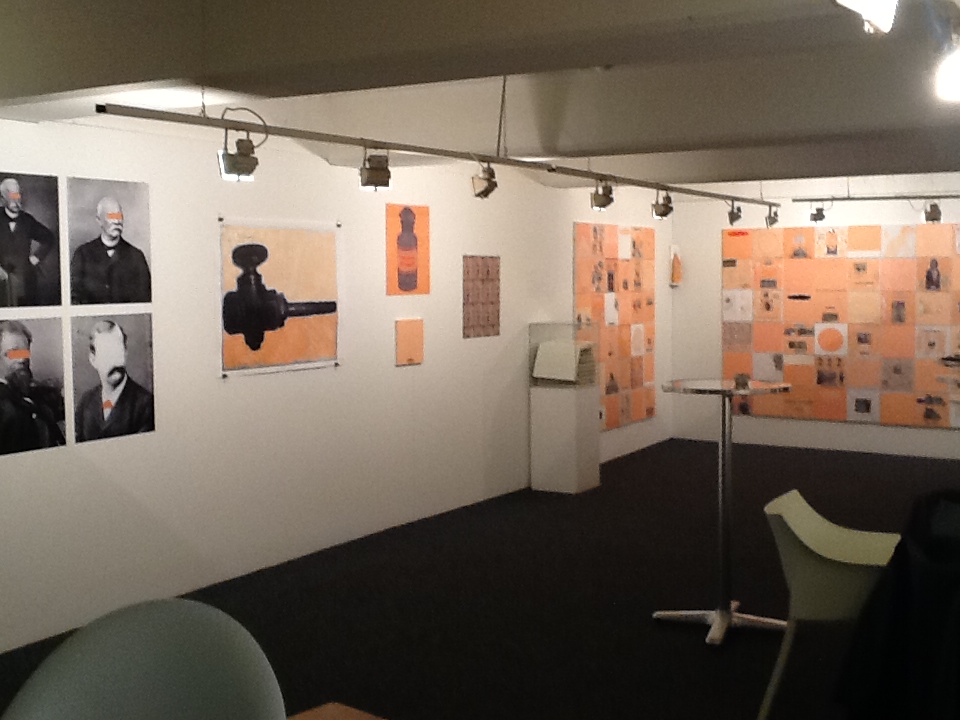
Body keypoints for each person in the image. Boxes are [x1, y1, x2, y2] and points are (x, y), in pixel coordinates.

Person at [75, 319, 154, 441]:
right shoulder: (85, 403)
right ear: (93, 360)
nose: (116, 361)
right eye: (107, 353)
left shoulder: (146, 405)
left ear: (126, 352)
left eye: (119, 351)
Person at [0, 320, 66, 454]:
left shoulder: (32, 392)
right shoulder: (4, 407)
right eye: (13, 353)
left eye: (25, 353)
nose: (22, 359)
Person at [70, 196, 151, 304]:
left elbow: (145, 300)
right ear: (99, 220)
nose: (117, 221)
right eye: (111, 216)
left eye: (119, 216)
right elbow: (75, 298)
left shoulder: (137, 257)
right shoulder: (82, 254)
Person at [0, 178, 57, 307]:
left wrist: (36, 257)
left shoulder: (27, 220)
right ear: (2, 198)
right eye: (11, 196)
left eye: (17, 195)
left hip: (24, 282)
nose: (16, 200)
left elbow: (49, 238)